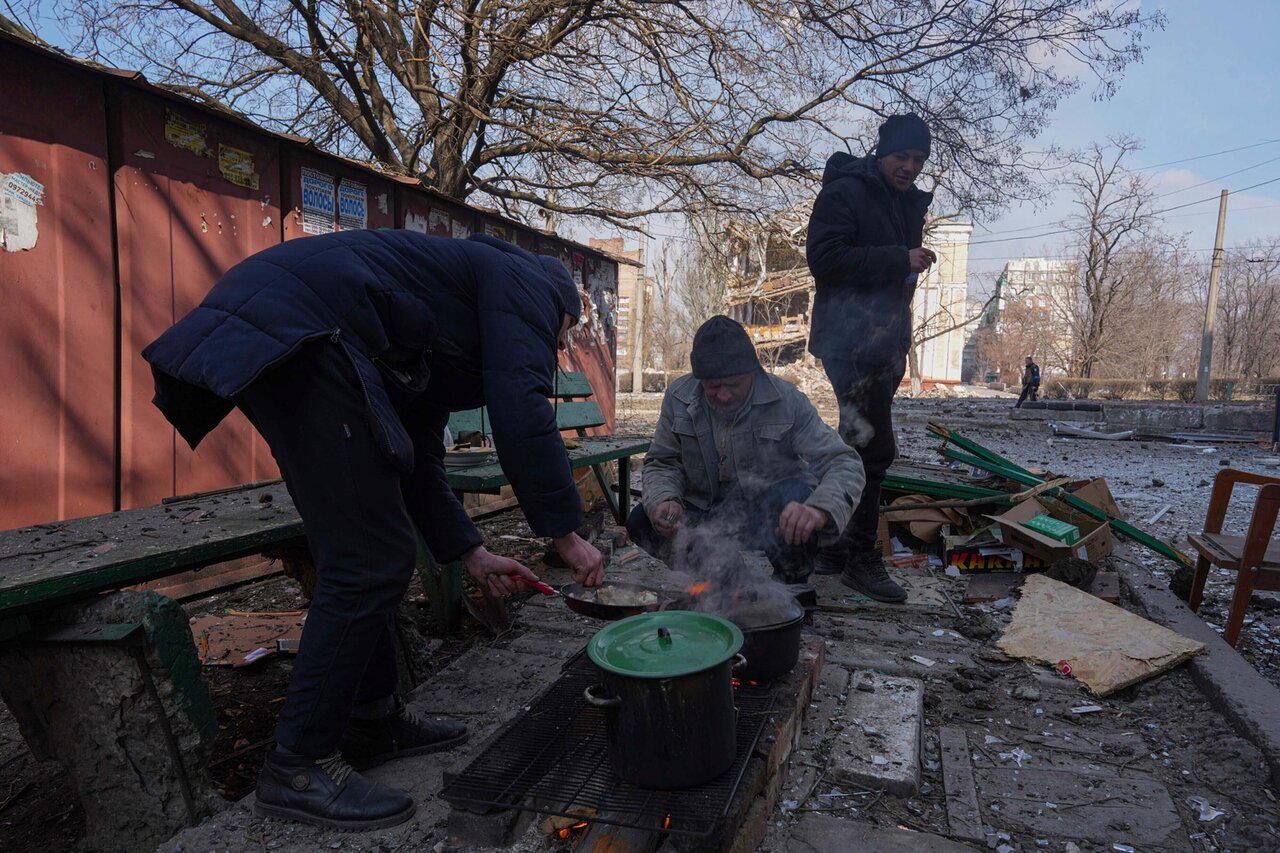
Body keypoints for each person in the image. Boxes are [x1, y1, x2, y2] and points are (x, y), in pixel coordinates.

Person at [143, 229, 606, 831]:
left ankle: (370, 721)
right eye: (564, 338)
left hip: (291, 324)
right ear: (561, 309)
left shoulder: (448, 314)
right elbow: (523, 403)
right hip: (304, 328)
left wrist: (471, 553)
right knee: (367, 557)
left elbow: (417, 453)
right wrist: (565, 534)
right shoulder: (529, 282)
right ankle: (299, 764)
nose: (559, 347)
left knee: (374, 545)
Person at [627, 316, 864, 605]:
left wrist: (819, 509)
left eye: (734, 384)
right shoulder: (679, 397)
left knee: (797, 497)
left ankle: (792, 585)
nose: (724, 395)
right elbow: (663, 462)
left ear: (753, 371)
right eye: (713, 387)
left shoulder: (786, 400)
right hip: (706, 518)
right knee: (642, 520)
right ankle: (728, 581)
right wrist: (664, 499)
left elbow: (843, 462)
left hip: (764, 519)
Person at [805, 113, 936, 603]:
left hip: (884, 341)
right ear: (882, 151)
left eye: (918, 159)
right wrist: (897, 258)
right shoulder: (845, 192)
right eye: (902, 155)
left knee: (855, 444)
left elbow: (888, 274)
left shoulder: (905, 203)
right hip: (849, 341)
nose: (909, 167)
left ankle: (834, 548)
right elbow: (825, 258)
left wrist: (910, 265)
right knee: (873, 449)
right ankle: (860, 558)